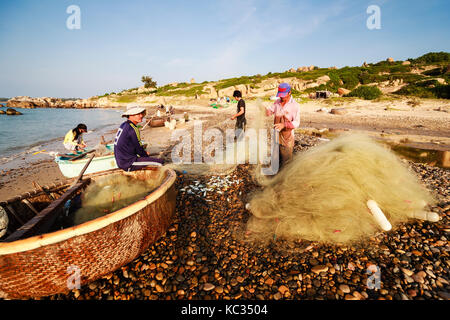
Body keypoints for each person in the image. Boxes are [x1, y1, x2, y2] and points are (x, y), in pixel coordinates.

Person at [114, 105, 164, 172]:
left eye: (141, 113)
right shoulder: (133, 129)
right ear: (130, 115)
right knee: (160, 162)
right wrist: (146, 157)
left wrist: (144, 155)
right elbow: (139, 149)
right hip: (128, 163)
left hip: (120, 161)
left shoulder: (123, 125)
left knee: (148, 159)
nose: (141, 116)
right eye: (137, 114)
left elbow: (131, 145)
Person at [265, 83, 300, 168]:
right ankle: (276, 176)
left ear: (289, 92)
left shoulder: (295, 105)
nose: (281, 97)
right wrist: (264, 110)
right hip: (276, 136)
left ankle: (285, 179)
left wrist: (284, 125)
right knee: (276, 159)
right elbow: (269, 112)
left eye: (283, 95)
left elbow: (296, 123)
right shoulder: (277, 102)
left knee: (286, 162)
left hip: (287, 139)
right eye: (280, 95)